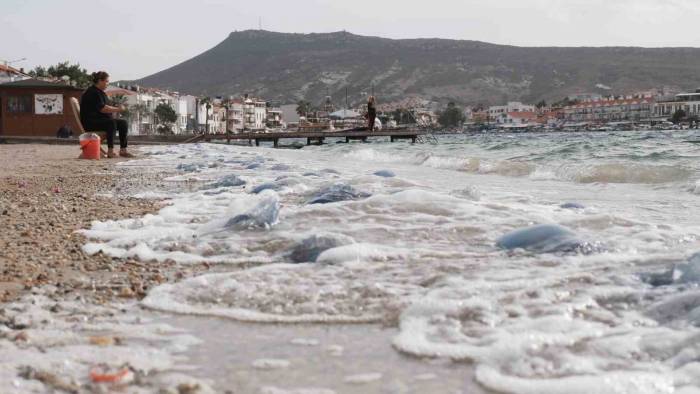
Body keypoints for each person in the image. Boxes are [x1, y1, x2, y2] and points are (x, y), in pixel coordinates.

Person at [80, 71, 133, 158]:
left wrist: (116, 108)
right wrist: (118, 109)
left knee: (123, 123)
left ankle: (123, 150)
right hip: (91, 123)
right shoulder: (92, 92)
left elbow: (106, 106)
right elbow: (103, 108)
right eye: (107, 81)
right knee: (111, 123)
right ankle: (110, 151)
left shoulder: (100, 92)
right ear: (100, 81)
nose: (108, 84)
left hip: (99, 121)